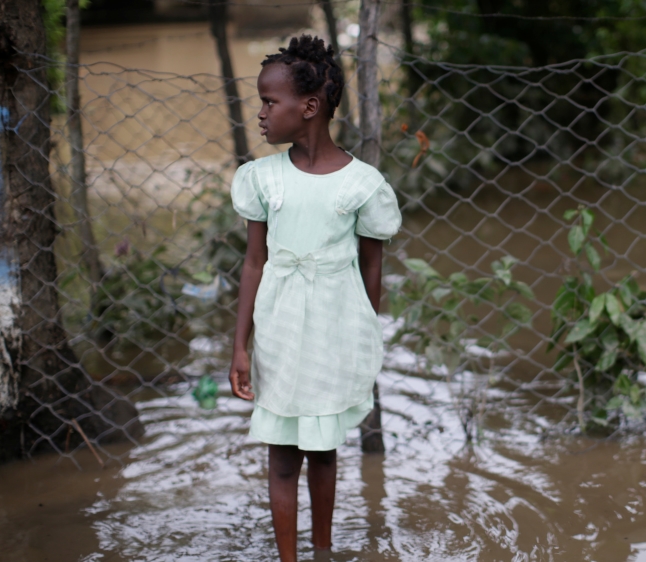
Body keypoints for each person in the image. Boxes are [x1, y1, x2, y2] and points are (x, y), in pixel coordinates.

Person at [227, 35, 401, 561]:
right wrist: (240, 346)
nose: (259, 113)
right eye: (260, 100)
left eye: (268, 101)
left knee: (322, 453)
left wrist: (363, 338)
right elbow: (254, 263)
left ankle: (322, 551)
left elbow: (372, 267)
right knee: (283, 458)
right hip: (279, 333)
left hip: (333, 333)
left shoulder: (362, 185)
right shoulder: (261, 179)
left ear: (309, 107)